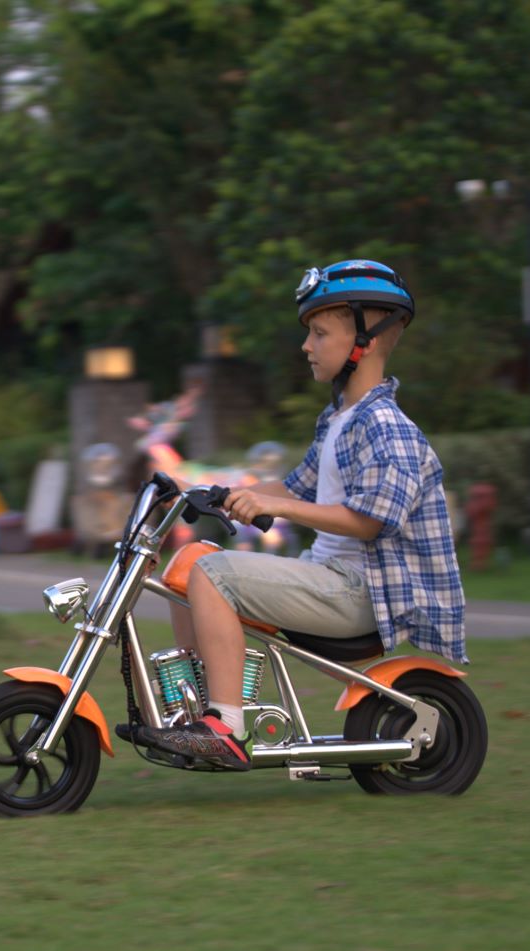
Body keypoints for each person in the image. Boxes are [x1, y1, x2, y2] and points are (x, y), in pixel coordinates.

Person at [132, 260, 465, 770]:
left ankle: (225, 726)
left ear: (366, 342)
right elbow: (289, 487)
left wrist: (275, 506)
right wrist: (197, 491)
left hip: (362, 592)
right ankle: (199, 711)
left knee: (212, 573)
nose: (306, 345)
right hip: (329, 579)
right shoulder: (339, 420)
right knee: (191, 558)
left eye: (319, 332)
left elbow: (368, 521)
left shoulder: (386, 427)